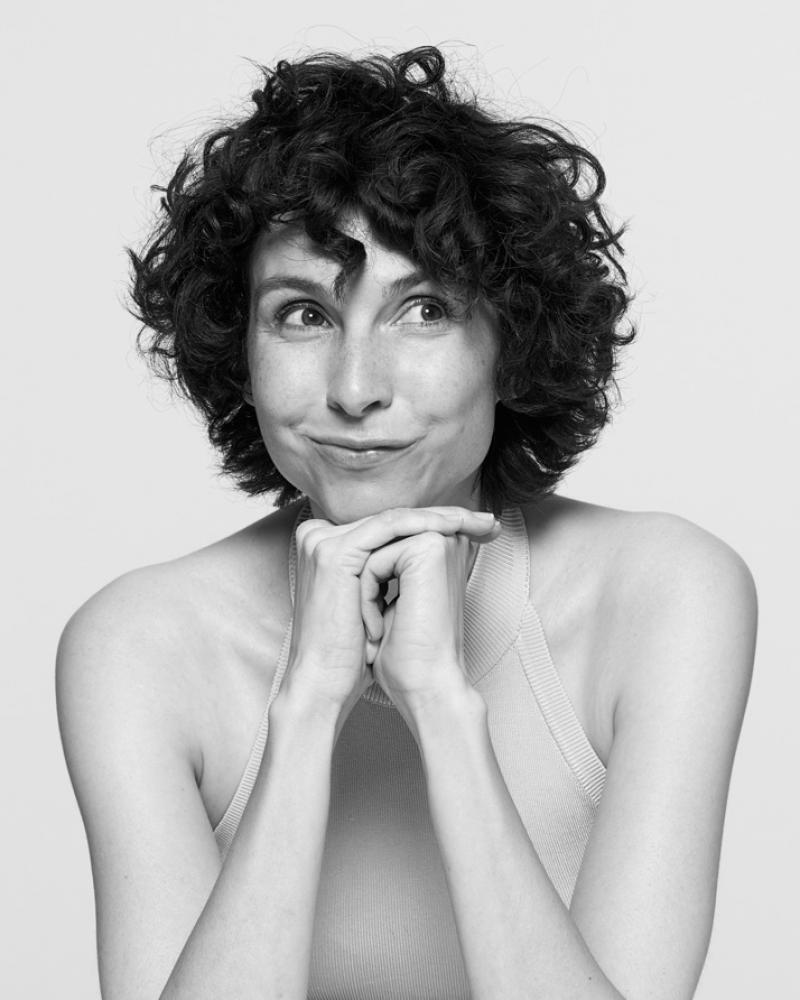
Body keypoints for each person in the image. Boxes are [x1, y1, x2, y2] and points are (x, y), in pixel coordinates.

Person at [56, 46, 757, 1000]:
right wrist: (307, 705)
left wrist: (440, 702)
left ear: (512, 341)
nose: (355, 389)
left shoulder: (663, 594)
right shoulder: (139, 645)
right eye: (302, 315)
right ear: (241, 348)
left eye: (423, 310)